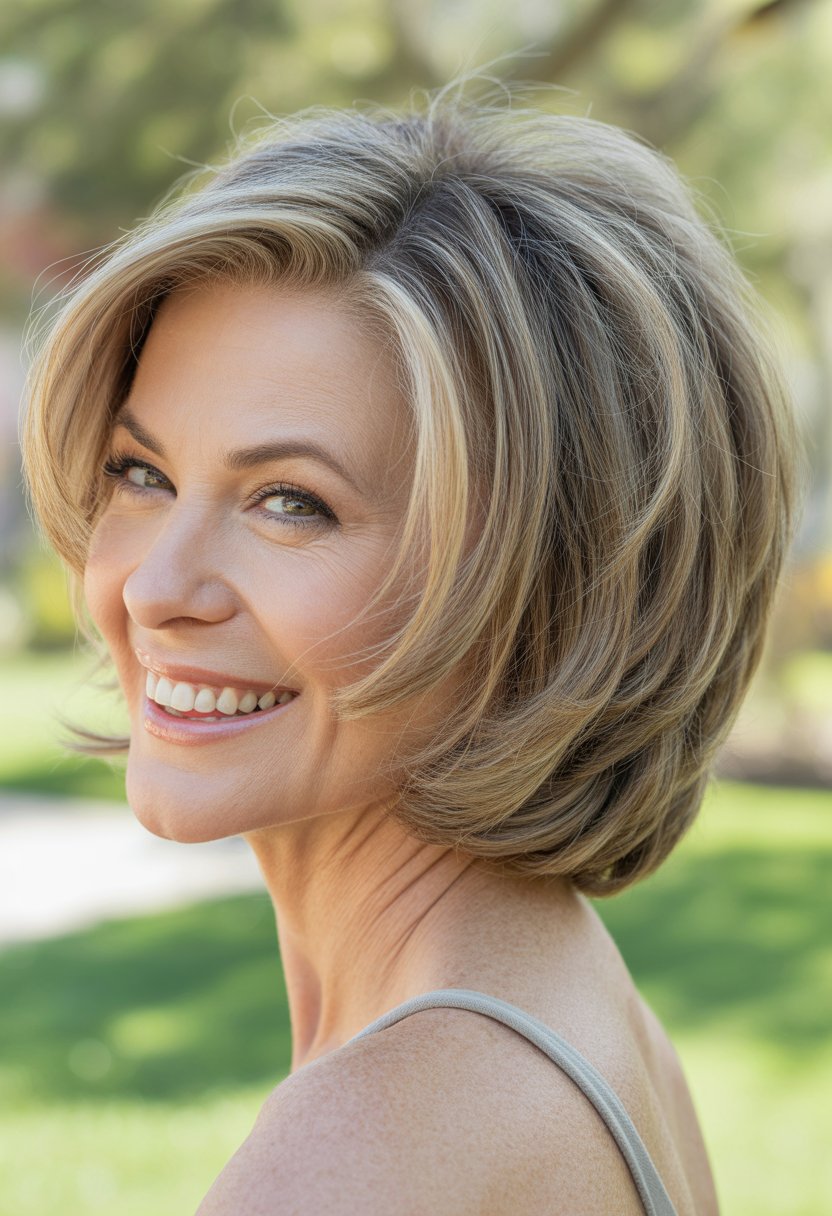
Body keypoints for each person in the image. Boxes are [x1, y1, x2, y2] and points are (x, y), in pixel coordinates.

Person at [22, 77, 799, 1215]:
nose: (155, 585)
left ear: (547, 590)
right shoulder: (558, 1008)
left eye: (293, 502)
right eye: (143, 474)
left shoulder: (373, 1143)